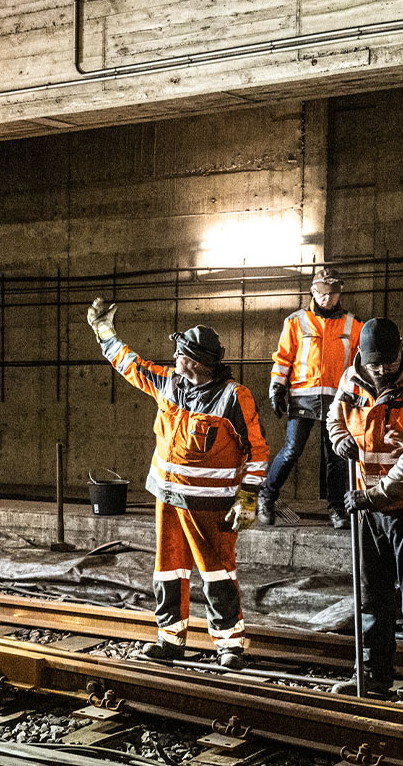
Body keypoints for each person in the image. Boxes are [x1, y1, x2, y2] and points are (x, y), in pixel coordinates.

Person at [87, 299, 268, 668]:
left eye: (181, 355)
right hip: (168, 499)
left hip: (211, 506)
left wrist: (248, 497)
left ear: (197, 363)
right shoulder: (170, 382)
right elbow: (131, 365)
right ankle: (170, 639)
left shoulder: (234, 397)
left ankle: (230, 646)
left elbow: (258, 450)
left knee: (217, 573)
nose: (175, 359)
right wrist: (104, 332)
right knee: (168, 570)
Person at [326, 317, 403, 707]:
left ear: (401, 350)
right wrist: (339, 437)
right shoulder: (354, 376)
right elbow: (334, 415)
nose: (380, 370)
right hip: (372, 509)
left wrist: (375, 495)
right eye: (373, 363)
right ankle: (372, 677)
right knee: (371, 597)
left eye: (388, 362)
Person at [260, 269, 362, 529]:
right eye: (323, 294)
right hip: (303, 397)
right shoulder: (296, 321)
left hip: (338, 400)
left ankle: (337, 509)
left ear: (339, 293)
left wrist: (358, 397)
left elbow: (359, 364)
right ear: (313, 292)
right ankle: (266, 497)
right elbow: (284, 357)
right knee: (292, 450)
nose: (328, 299)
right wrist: (277, 387)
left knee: (337, 456)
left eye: (333, 294)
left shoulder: (353, 324)